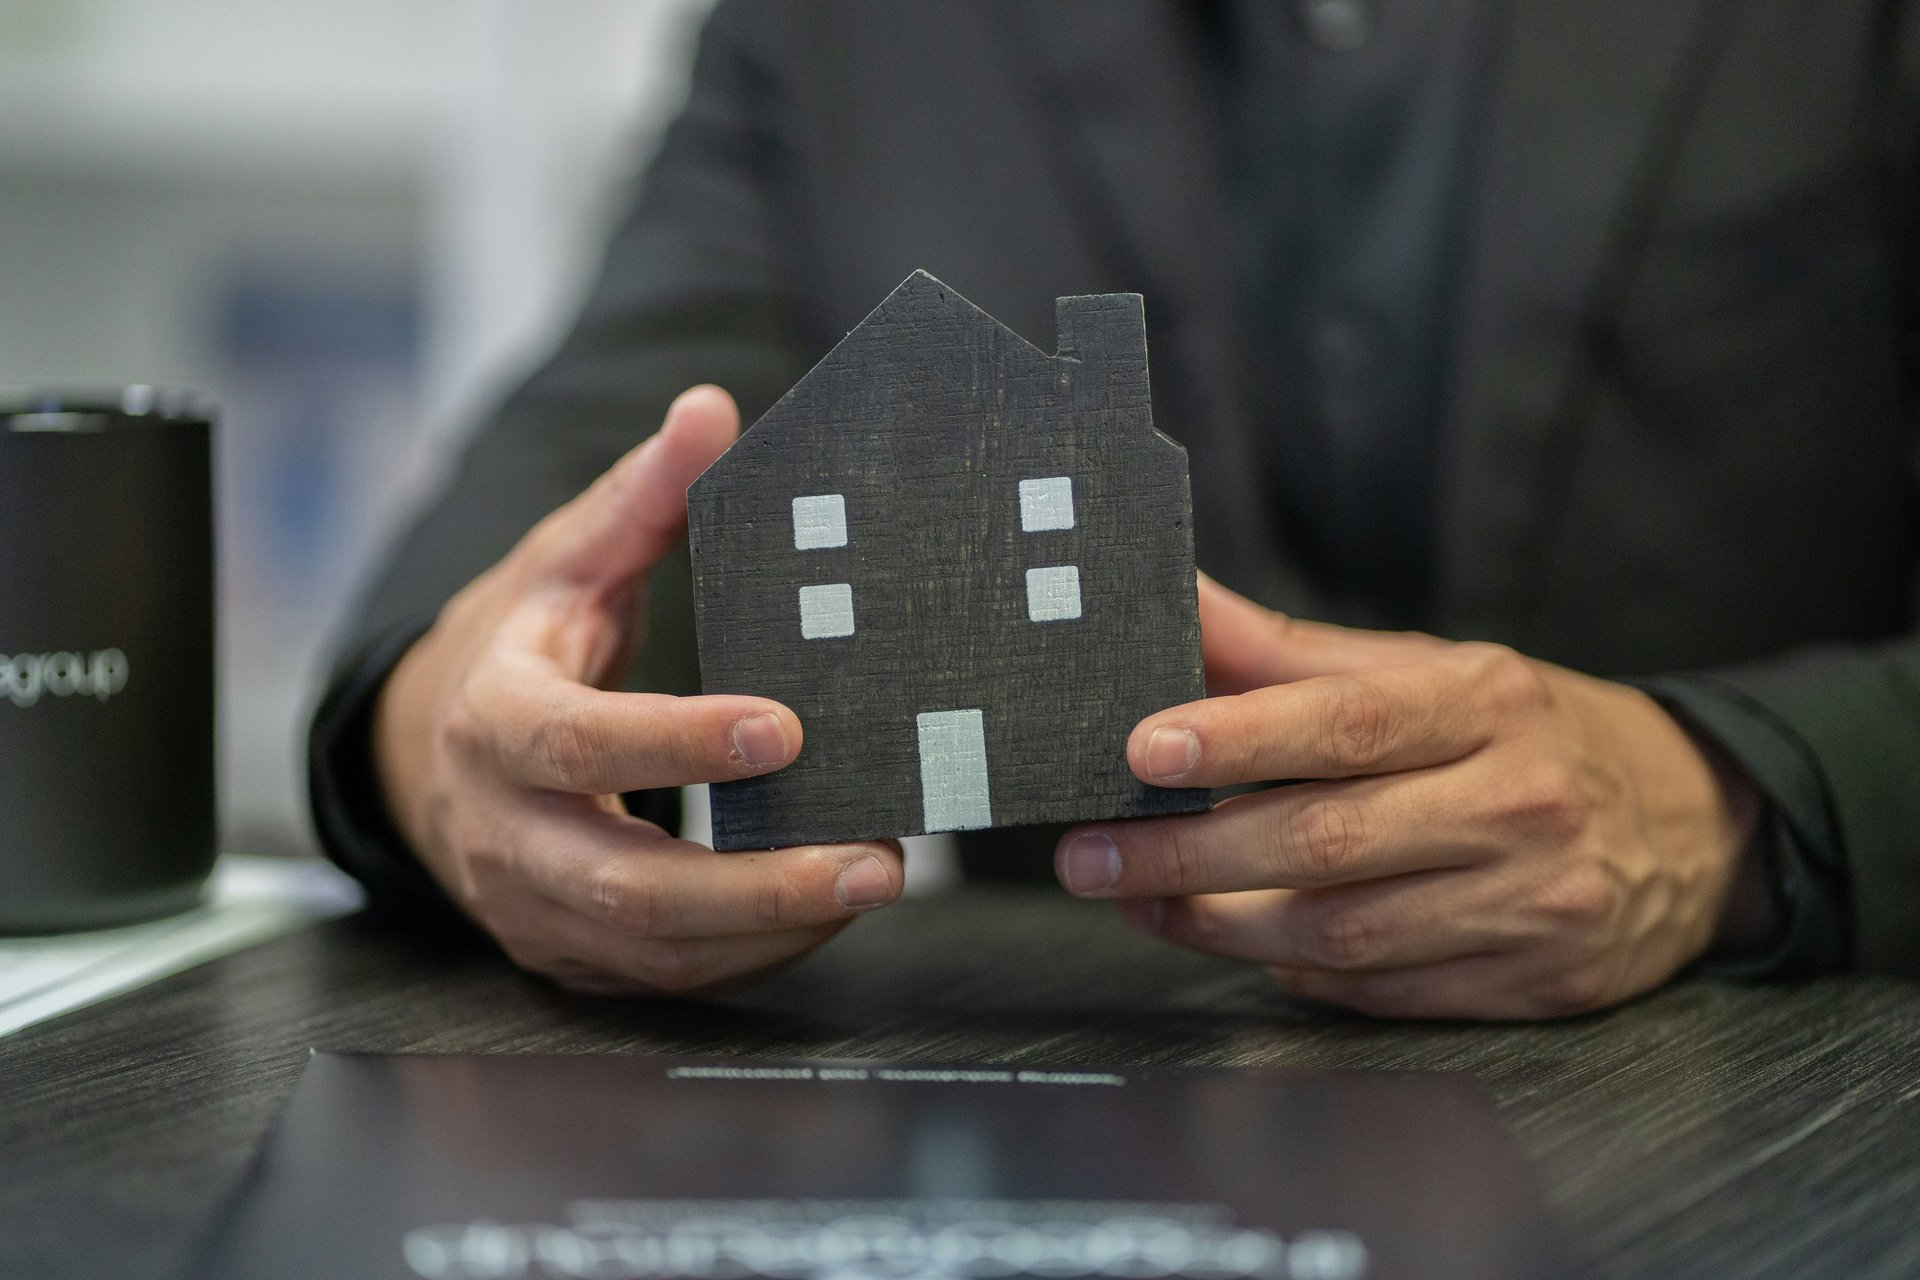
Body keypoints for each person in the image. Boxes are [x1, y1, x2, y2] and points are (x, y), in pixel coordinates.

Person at [309, 1, 1920, 1018]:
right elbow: (600, 454)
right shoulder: (843, 34)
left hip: (1754, 1089)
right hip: (1086, 1082)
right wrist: (449, 733)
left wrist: (1733, 803)